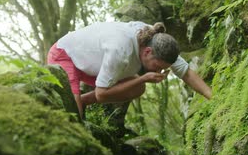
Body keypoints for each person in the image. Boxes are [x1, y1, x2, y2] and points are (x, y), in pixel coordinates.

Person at [47, 21, 212, 117]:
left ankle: (82, 101)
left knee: (137, 88)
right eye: (158, 67)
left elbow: (186, 72)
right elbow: (101, 94)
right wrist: (142, 78)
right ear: (148, 52)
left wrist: (213, 98)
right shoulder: (120, 51)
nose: (159, 72)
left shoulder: (154, 38)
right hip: (65, 55)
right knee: (75, 113)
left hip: (92, 63)